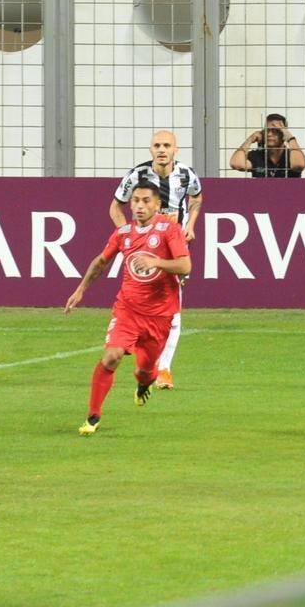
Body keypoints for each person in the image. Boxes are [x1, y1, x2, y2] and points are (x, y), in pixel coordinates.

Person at [65, 182, 191, 436]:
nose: (139, 206)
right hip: (128, 311)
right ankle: (93, 416)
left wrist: (156, 262)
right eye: (135, 201)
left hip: (160, 316)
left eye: (146, 201)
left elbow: (185, 266)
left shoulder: (169, 229)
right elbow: (101, 262)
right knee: (111, 357)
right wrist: (80, 290)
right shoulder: (123, 233)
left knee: (144, 371)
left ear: (157, 205)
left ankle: (145, 384)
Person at [109, 130, 201, 390]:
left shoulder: (186, 175)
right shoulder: (137, 176)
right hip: (144, 248)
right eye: (157, 145)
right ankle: (143, 354)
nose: (162, 150)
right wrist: (126, 235)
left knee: (172, 306)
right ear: (150, 150)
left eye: (167, 145)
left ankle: (164, 369)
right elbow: (115, 206)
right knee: (141, 300)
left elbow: (197, 197)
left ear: (176, 149)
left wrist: (191, 224)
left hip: (171, 248)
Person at [229, 113, 305, 177]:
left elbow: (298, 165)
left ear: (283, 133)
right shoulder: (257, 155)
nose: (269, 134)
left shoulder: (292, 155)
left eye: (275, 131)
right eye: (267, 130)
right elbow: (237, 164)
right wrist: (249, 140)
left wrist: (289, 137)